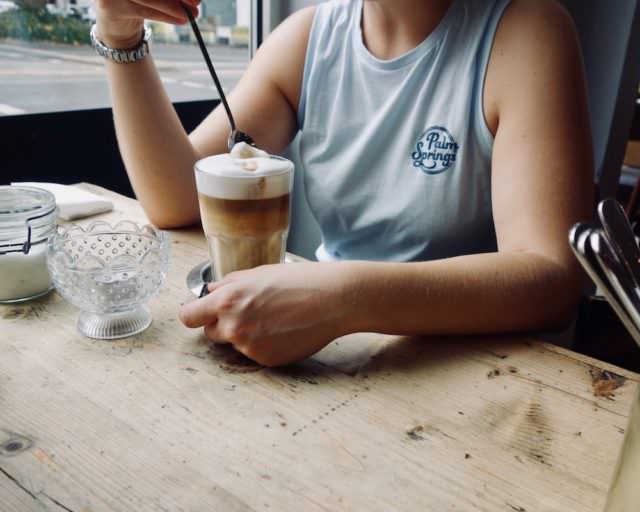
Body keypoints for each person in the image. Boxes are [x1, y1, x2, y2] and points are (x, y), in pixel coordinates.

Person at [93, 0, 594, 366]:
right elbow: (178, 197)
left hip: (484, 371)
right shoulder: (307, 37)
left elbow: (551, 279)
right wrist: (122, 38)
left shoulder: (528, 32)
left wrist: (341, 298)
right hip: (335, 354)